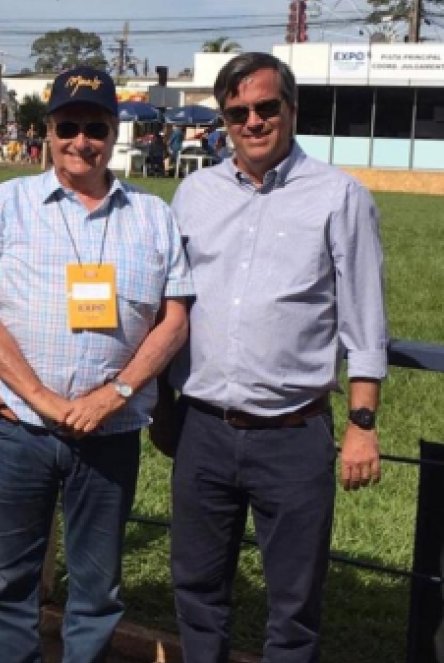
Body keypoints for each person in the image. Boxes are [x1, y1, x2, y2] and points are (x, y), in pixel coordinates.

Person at [157, 52, 387, 663]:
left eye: (265, 107)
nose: (252, 122)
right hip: (201, 429)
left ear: (290, 108)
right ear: (224, 120)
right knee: (197, 592)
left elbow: (365, 319)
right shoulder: (194, 193)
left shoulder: (340, 197)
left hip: (294, 434)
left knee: (294, 606)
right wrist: (158, 403)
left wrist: (363, 425)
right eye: (238, 112)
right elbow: (166, 305)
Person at [0, 66, 192, 663]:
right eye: (68, 126)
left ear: (114, 132)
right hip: (19, 429)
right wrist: (41, 398)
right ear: (48, 131)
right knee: (9, 580)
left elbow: (174, 320)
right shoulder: (7, 204)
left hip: (110, 433)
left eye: (94, 127)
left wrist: (115, 393)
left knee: (97, 587)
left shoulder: (153, 215)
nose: (80, 140)